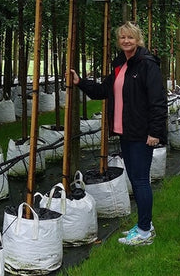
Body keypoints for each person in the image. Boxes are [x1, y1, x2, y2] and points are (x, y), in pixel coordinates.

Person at [70, 21, 167, 246]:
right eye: (122, 37)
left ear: (138, 39)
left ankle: (145, 231)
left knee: (141, 180)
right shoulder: (120, 65)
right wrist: (80, 82)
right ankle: (145, 224)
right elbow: (104, 90)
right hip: (126, 131)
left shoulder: (147, 64)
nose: (126, 41)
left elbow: (158, 101)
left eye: (130, 37)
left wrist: (155, 132)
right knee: (134, 178)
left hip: (142, 134)